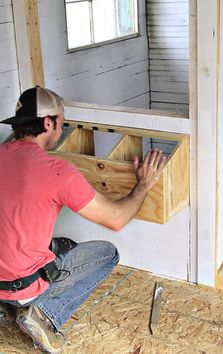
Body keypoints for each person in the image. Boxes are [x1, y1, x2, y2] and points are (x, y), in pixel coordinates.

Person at [0, 86, 166, 353]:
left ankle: (4, 306)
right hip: (24, 287)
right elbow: (117, 219)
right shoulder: (57, 172)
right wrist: (143, 186)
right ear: (47, 122)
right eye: (61, 124)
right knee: (105, 253)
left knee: (63, 244)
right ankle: (44, 314)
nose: (61, 131)